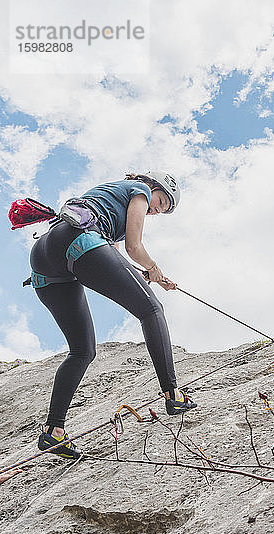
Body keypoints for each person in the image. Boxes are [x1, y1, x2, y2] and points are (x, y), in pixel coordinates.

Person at [30, 170, 197, 460]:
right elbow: (134, 247)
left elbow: (113, 262)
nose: (156, 209)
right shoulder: (139, 191)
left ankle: (53, 430)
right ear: (153, 187)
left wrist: (153, 277)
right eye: (160, 201)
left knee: (82, 351)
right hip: (79, 241)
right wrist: (154, 266)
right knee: (152, 310)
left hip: (46, 261)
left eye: (162, 210)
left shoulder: (109, 199)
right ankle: (173, 394)